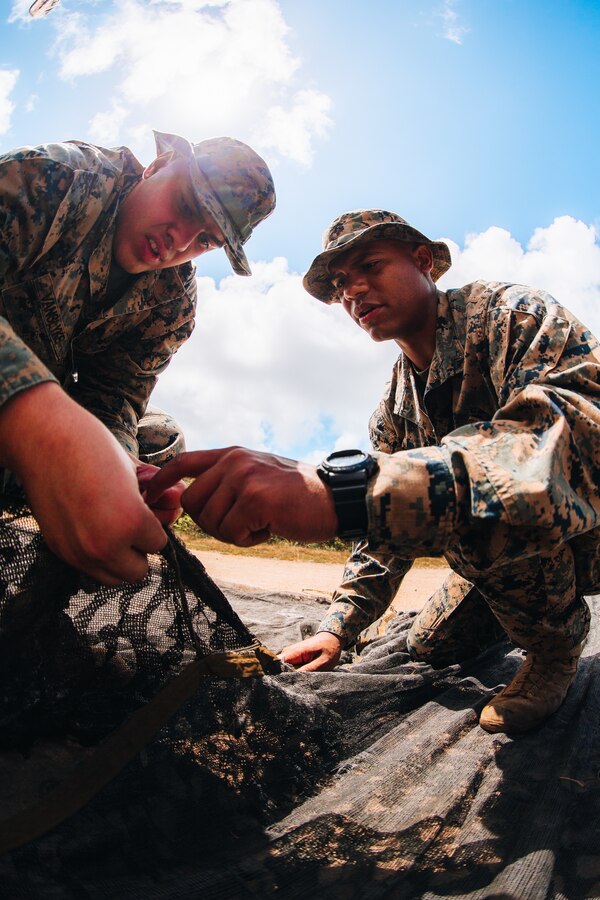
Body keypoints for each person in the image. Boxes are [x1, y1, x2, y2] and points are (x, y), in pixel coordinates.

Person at [148, 208, 600, 735]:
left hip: (588, 533)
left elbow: (572, 446)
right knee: (425, 646)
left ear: (424, 262)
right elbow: (382, 536)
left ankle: (554, 651)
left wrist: (343, 494)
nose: (353, 291)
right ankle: (526, 606)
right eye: (340, 283)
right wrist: (338, 630)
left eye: (369, 265)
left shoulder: (512, 315)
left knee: (480, 509)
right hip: (509, 561)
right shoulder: (394, 409)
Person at [0, 129, 275, 585]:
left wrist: (122, 468)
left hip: (26, 449)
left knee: (158, 446)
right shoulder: (57, 179)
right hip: (19, 425)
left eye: (205, 239)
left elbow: (115, 397)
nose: (179, 241)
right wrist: (38, 421)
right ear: (159, 164)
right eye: (186, 205)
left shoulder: (172, 307)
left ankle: (39, 597)